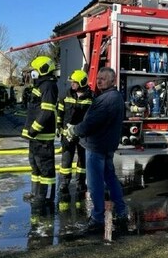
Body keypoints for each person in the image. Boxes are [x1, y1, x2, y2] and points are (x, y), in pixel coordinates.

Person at [66, 67, 128, 234]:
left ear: (112, 81)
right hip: (105, 146)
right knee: (111, 179)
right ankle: (121, 212)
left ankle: (97, 219)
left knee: (95, 185)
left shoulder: (107, 99)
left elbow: (91, 122)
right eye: (98, 78)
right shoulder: (113, 97)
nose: (99, 81)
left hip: (97, 146)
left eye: (103, 78)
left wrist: (74, 130)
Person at [21, 56, 59, 205]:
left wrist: (33, 130)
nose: (32, 73)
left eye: (35, 70)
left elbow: (46, 112)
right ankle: (35, 193)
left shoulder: (48, 86)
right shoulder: (41, 85)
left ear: (42, 70)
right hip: (36, 137)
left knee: (45, 168)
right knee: (35, 165)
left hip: (42, 135)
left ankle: (45, 198)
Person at [56, 70, 93, 196]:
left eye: (75, 82)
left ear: (82, 83)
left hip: (83, 134)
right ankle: (64, 184)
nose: (72, 84)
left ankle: (80, 183)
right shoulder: (65, 95)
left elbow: (92, 118)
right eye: (72, 82)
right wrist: (59, 126)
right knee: (66, 160)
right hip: (67, 134)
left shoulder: (91, 98)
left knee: (82, 160)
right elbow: (60, 112)